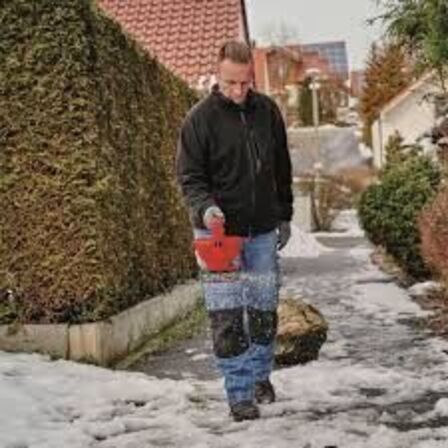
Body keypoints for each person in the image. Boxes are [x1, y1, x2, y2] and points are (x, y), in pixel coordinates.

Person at [176, 40, 293, 422]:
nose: (238, 91)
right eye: (230, 83)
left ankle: (259, 376)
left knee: (263, 309)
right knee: (226, 315)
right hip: (218, 235)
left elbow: (281, 167)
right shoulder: (199, 120)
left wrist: (284, 215)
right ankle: (239, 393)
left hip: (262, 230)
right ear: (218, 75)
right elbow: (190, 178)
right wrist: (206, 208)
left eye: (244, 83)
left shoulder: (267, 111)